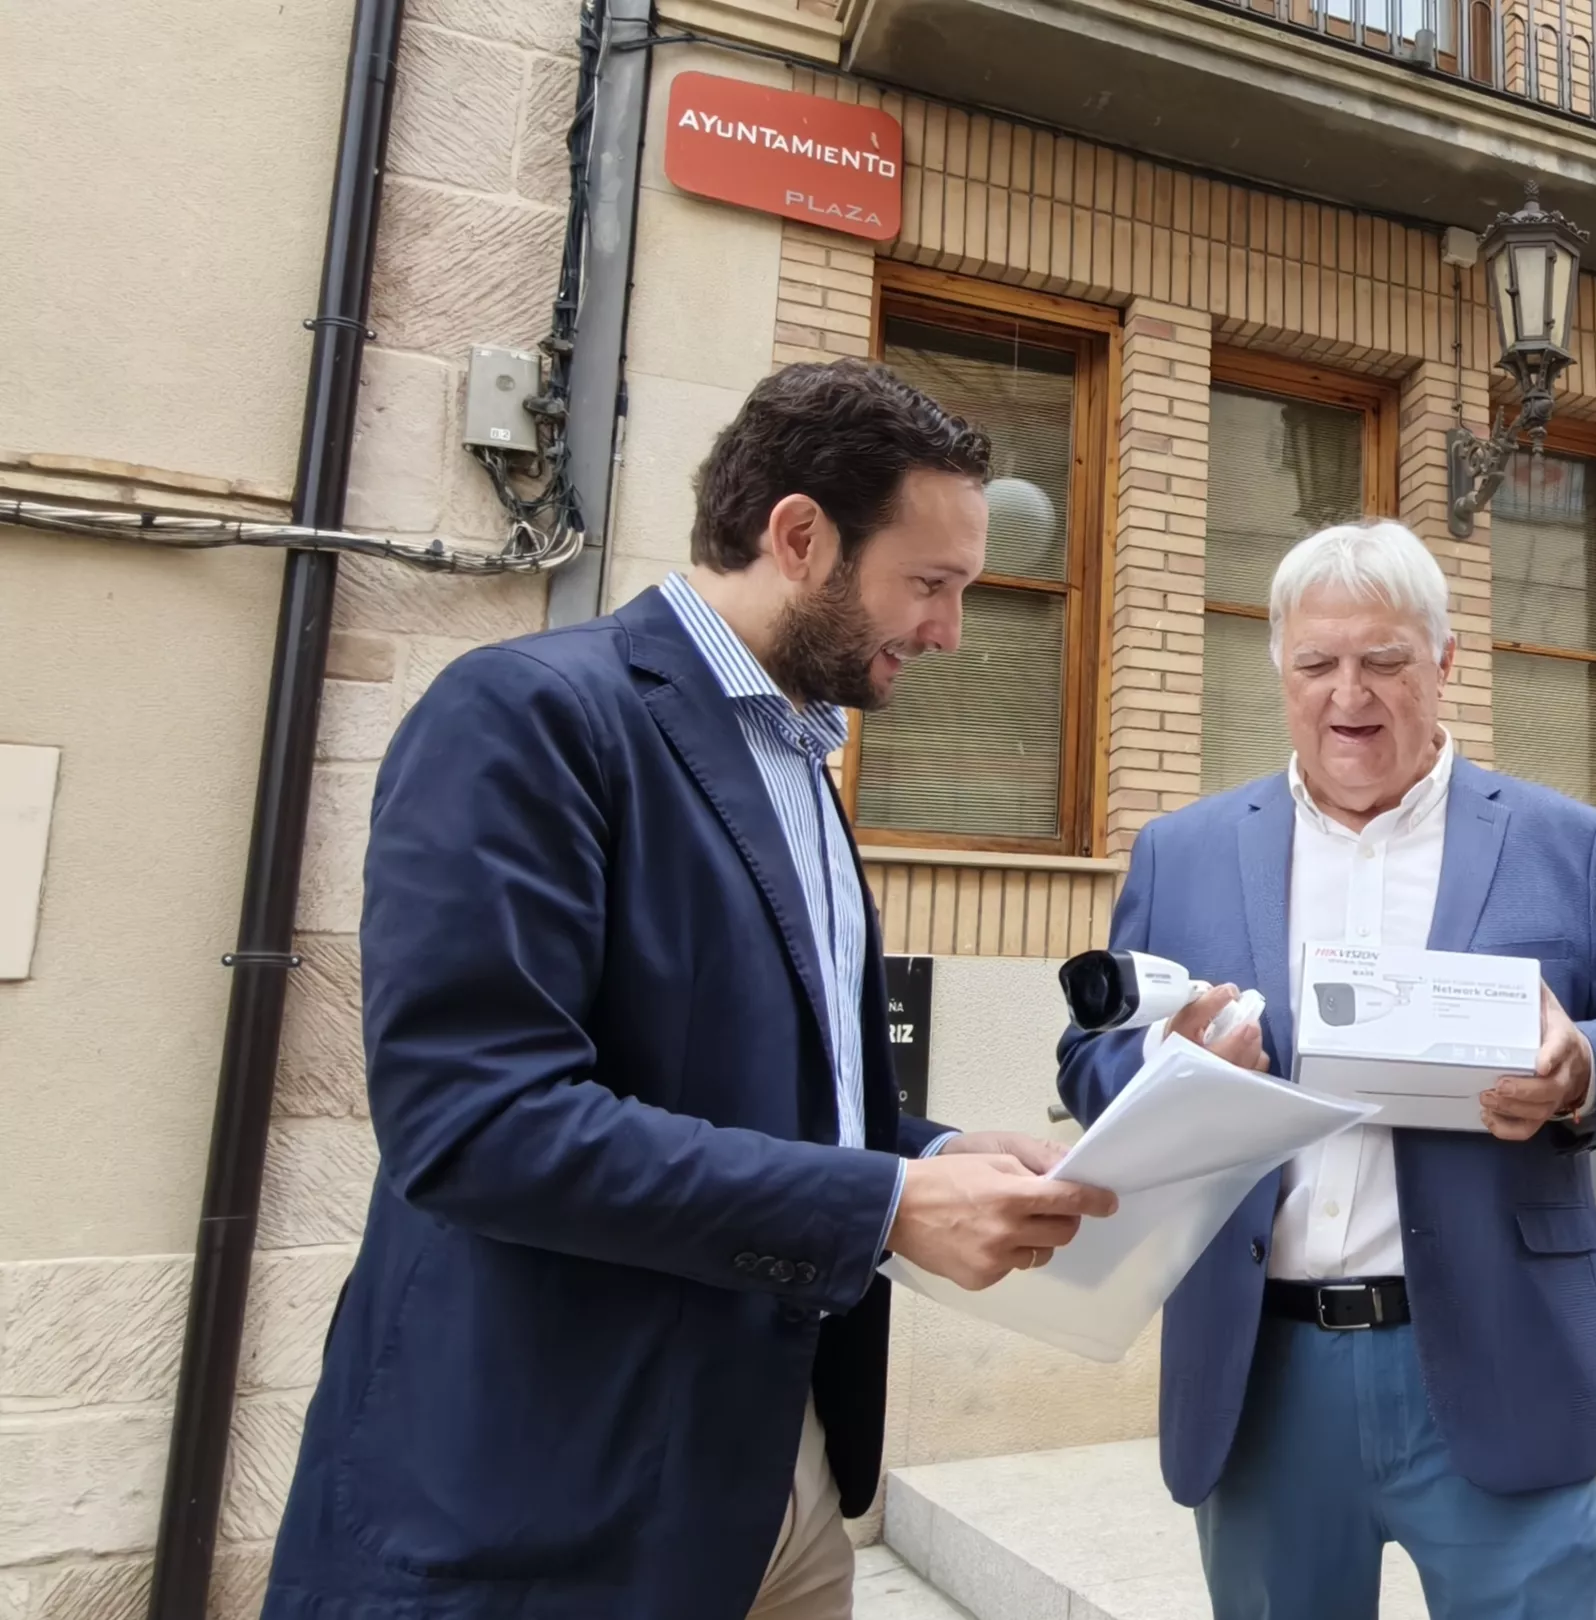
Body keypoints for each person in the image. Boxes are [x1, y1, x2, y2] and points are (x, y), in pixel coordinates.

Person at [266, 361, 1117, 1620]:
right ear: (798, 536)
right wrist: (885, 1201)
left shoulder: (799, 757)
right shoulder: (530, 714)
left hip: (782, 1471)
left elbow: (756, 1092)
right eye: (929, 584)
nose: (947, 631)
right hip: (556, 1493)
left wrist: (934, 1153)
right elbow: (477, 1126)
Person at [1056, 519, 1596, 1620]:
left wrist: (1580, 1065)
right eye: (1318, 664)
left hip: (1501, 1356)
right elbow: (1087, 1058)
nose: (1351, 693)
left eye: (1386, 660)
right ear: (1281, 672)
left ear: (1442, 663)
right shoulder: (1184, 852)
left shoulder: (1559, 840)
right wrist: (1166, 1064)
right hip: (1264, 1369)